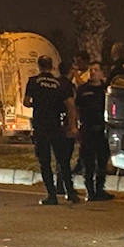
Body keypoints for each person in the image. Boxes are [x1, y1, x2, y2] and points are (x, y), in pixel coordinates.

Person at [23, 55, 80, 205]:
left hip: (41, 127)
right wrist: (72, 125)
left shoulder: (33, 82)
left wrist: (38, 104)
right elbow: (70, 106)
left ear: (39, 66)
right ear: (52, 66)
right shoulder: (59, 84)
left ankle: (51, 195)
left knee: (45, 162)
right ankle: (70, 192)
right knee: (63, 161)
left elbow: (26, 102)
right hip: (57, 126)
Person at [76, 61, 114, 201]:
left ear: (101, 73)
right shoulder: (83, 90)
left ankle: (100, 189)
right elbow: (76, 108)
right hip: (87, 129)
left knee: (102, 161)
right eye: (91, 69)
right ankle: (90, 191)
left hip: (103, 130)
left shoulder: (106, 90)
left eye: (96, 70)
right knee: (88, 162)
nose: (92, 72)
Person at [55, 61, 78, 195]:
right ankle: (66, 186)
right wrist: (73, 125)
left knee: (59, 155)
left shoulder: (55, 83)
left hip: (54, 123)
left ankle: (59, 184)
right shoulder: (68, 86)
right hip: (65, 123)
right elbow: (72, 106)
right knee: (66, 156)